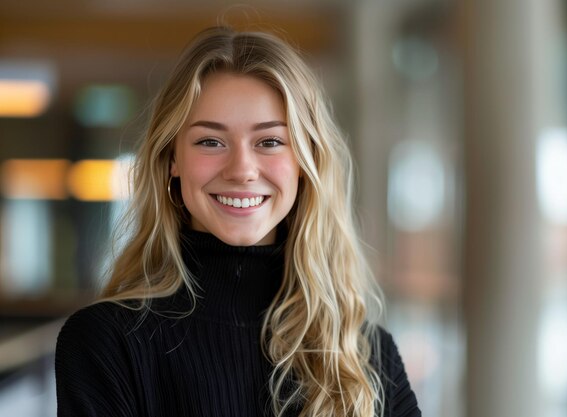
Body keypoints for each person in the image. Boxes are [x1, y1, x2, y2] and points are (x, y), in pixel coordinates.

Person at [55, 26, 421, 417]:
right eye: (210, 142)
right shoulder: (105, 343)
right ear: (172, 160)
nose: (242, 170)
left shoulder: (366, 356)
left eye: (270, 141)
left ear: (305, 162)